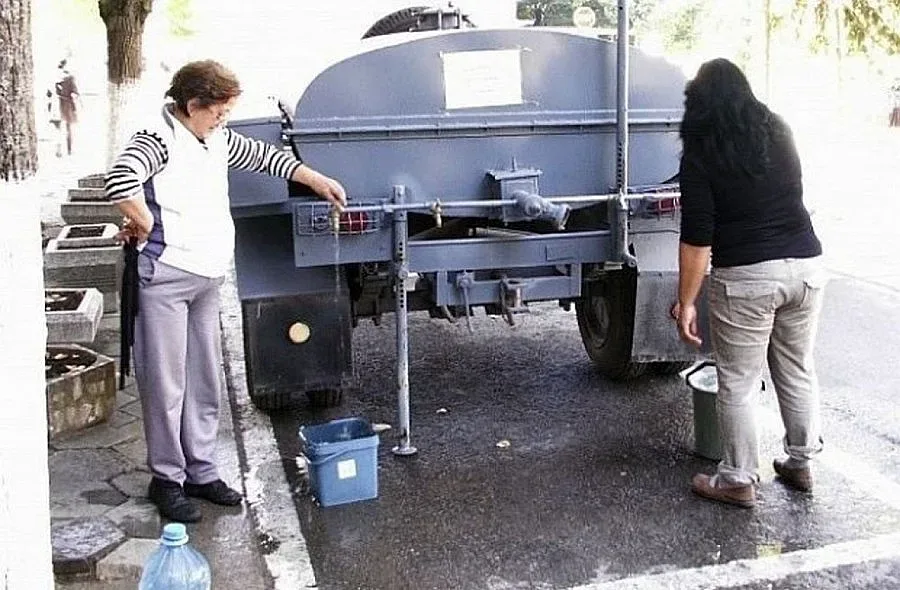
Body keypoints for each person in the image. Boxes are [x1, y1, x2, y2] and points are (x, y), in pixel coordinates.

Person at [104, 60, 347, 522]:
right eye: (219, 111)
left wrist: (315, 180)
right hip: (166, 278)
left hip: (206, 276)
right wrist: (144, 220)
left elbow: (264, 157)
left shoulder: (214, 137)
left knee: (204, 382)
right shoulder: (158, 138)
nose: (224, 119)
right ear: (193, 105)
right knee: (166, 384)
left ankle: (202, 470)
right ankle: (167, 478)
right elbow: (120, 180)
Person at [674, 58, 826, 508]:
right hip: (807, 267)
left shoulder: (702, 151)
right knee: (797, 368)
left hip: (747, 278)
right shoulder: (777, 128)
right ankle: (801, 463)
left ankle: (737, 479)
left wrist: (686, 302)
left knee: (738, 380)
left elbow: (698, 239)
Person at [53, 59, 80, 156]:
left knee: (67, 129)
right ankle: (59, 150)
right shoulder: (57, 78)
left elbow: (75, 92)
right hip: (58, 105)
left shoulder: (69, 78)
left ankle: (68, 150)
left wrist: (74, 95)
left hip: (66, 105)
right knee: (59, 128)